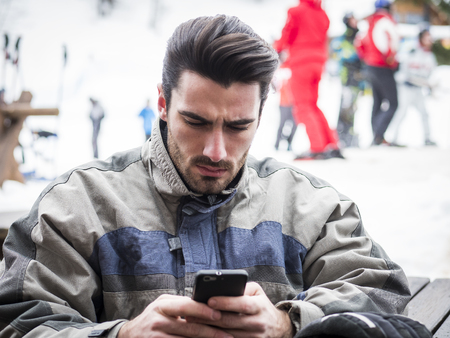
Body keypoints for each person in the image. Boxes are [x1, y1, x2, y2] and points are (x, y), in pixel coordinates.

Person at [0, 15, 410, 338]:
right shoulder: (77, 205)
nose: (217, 151)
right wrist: (121, 334)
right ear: (162, 102)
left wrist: (290, 324)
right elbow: (17, 322)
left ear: (262, 114)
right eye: (195, 121)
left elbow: (382, 293)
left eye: (237, 126)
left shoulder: (312, 207)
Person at [274, 0, 344, 160]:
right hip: (318, 63)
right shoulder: (323, 14)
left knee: (302, 106)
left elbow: (287, 33)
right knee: (312, 104)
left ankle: (317, 147)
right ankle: (331, 144)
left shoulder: (296, 11)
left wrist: (275, 49)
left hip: (301, 62)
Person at [355, 0, 400, 146]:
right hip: (383, 66)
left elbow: (359, 43)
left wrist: (366, 59)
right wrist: (390, 57)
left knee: (378, 102)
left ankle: (376, 136)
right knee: (393, 103)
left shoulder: (369, 22)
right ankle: (379, 136)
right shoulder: (385, 20)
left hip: (371, 66)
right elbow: (391, 40)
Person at [389, 27, 437, 147]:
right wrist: (405, 78)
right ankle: (392, 138)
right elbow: (401, 68)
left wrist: (428, 85)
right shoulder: (410, 50)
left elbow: (431, 74)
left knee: (424, 113)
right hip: (406, 88)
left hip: (418, 89)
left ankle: (427, 138)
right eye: (426, 37)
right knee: (401, 112)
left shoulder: (430, 56)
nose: (429, 40)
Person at [330, 12, 365, 148]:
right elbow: (340, 52)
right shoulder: (345, 38)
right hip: (348, 77)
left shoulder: (359, 36)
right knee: (346, 106)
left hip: (359, 77)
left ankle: (348, 134)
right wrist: (354, 56)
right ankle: (343, 135)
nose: (355, 21)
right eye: (352, 19)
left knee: (353, 107)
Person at [273, 58, 297, 151]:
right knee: (282, 124)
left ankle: (289, 143)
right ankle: (277, 144)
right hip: (283, 103)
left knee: (294, 125)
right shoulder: (281, 70)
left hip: (295, 103)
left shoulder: (295, 68)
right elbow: (276, 85)